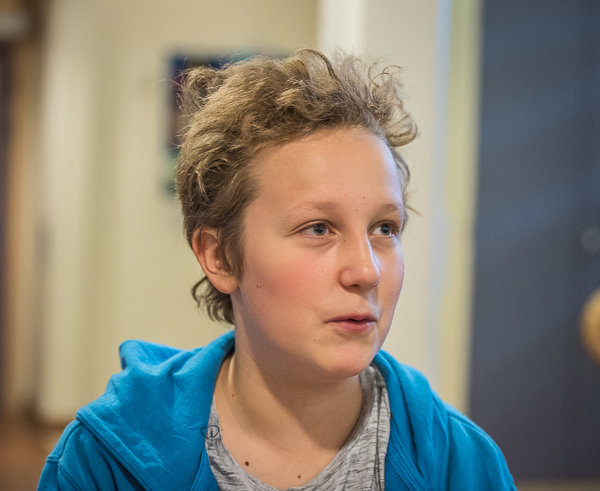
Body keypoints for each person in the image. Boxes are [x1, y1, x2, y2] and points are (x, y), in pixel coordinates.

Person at [38, 49, 516, 490]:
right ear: (219, 256)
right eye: (318, 228)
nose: (367, 271)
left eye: (385, 228)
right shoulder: (102, 463)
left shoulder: (464, 465)